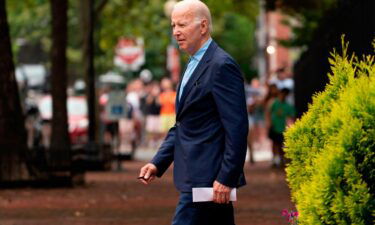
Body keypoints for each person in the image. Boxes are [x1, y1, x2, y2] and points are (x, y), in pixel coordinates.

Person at [139, 1, 248, 224]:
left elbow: (237, 127)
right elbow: (184, 124)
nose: (176, 32)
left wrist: (227, 177)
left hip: (208, 180)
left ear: (203, 26)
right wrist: (158, 162)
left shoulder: (221, 65)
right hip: (198, 178)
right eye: (173, 26)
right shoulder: (192, 64)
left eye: (182, 25)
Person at [266, 88, 295, 167]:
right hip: (274, 126)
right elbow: (268, 112)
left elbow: (291, 116)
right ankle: (275, 160)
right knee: (274, 143)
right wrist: (269, 123)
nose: (283, 96)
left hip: (282, 128)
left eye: (285, 95)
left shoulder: (287, 105)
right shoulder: (274, 102)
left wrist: (290, 126)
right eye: (283, 94)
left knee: (282, 145)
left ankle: (282, 160)